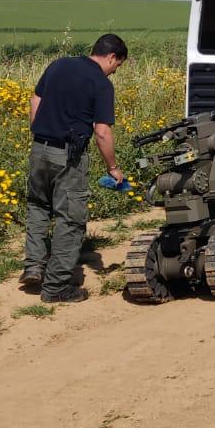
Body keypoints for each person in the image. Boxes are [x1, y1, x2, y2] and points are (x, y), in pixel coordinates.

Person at [21, 33, 129, 302]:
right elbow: (102, 132)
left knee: (37, 206)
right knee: (70, 219)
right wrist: (113, 168)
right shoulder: (100, 84)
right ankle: (57, 287)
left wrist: (40, 133)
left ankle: (34, 267)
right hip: (68, 156)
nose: (115, 72)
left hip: (39, 149)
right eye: (118, 66)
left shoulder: (59, 65)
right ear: (112, 56)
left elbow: (36, 100)